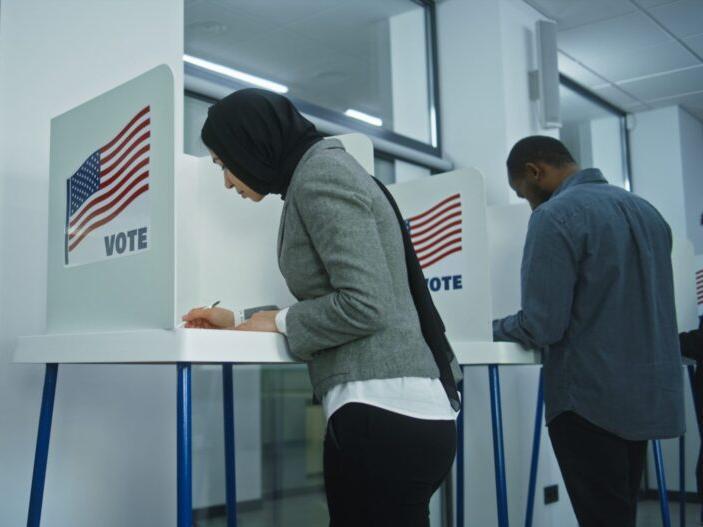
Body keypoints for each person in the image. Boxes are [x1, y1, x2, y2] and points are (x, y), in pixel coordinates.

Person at [180, 89, 462, 527]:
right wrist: (239, 320)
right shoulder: (317, 174)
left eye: (224, 165)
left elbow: (367, 305)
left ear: (248, 143)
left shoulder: (320, 176)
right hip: (390, 415)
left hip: (385, 415)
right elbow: (340, 298)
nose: (227, 182)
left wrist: (275, 320)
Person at [493, 136, 685, 527]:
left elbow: (541, 325)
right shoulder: (648, 213)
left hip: (589, 401)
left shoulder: (554, 216)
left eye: (523, 193)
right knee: (620, 514)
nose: (528, 202)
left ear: (536, 172)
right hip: (644, 397)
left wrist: (488, 327)